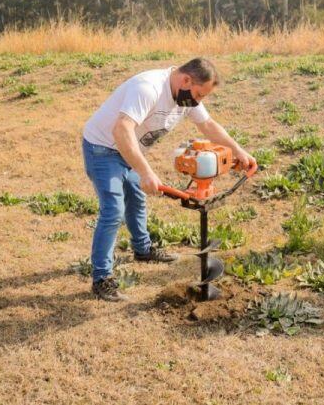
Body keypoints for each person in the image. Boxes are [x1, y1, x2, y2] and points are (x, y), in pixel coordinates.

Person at [82, 57, 256, 301]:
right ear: (186, 79)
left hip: (130, 149)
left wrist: (237, 150)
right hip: (102, 148)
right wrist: (145, 171)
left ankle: (143, 250)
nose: (198, 101)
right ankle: (101, 279)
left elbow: (207, 124)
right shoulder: (148, 88)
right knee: (113, 210)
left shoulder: (186, 95)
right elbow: (121, 129)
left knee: (137, 200)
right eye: (198, 94)